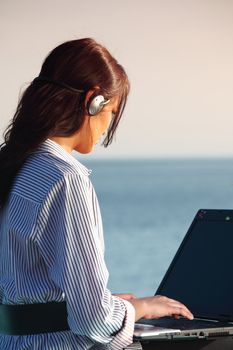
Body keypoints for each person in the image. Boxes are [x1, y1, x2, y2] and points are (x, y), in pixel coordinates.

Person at [0, 38, 193, 349]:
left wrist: (89, 303)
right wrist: (137, 308)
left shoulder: (14, 165)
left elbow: (22, 291)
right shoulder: (65, 179)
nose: (107, 127)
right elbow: (92, 319)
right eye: (112, 111)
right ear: (93, 101)